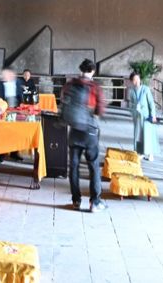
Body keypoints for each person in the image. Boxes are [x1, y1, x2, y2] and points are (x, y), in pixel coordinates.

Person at [61, 59, 106, 212]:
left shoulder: (69, 84)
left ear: (80, 69)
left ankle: (76, 201)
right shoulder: (95, 87)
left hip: (74, 131)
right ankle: (95, 202)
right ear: (93, 71)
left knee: (73, 167)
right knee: (93, 165)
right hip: (90, 131)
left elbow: (63, 103)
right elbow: (100, 109)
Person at [126, 72, 159, 161]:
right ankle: (140, 152)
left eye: (137, 79)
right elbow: (131, 103)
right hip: (137, 115)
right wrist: (133, 110)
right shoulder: (132, 91)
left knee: (148, 134)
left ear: (140, 79)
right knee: (138, 134)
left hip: (146, 115)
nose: (136, 81)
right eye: (134, 80)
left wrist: (153, 115)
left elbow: (151, 103)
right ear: (131, 81)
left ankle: (150, 153)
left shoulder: (145, 89)